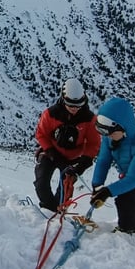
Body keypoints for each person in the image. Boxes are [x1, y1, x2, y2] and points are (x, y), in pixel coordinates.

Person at [89, 97, 135, 236]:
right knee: (132, 198)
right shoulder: (110, 136)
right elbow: (104, 160)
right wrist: (97, 184)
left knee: (126, 198)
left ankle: (126, 231)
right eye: (104, 132)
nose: (107, 136)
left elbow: (133, 179)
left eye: (110, 133)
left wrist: (106, 192)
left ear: (123, 127)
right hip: (133, 176)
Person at [34, 78, 101, 212]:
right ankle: (48, 209)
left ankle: (58, 211)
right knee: (41, 183)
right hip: (52, 153)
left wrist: (85, 162)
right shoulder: (51, 114)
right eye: (70, 105)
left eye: (78, 105)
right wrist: (51, 152)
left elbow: (94, 143)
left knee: (66, 189)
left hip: (73, 159)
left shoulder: (89, 119)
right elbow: (41, 134)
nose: (74, 109)